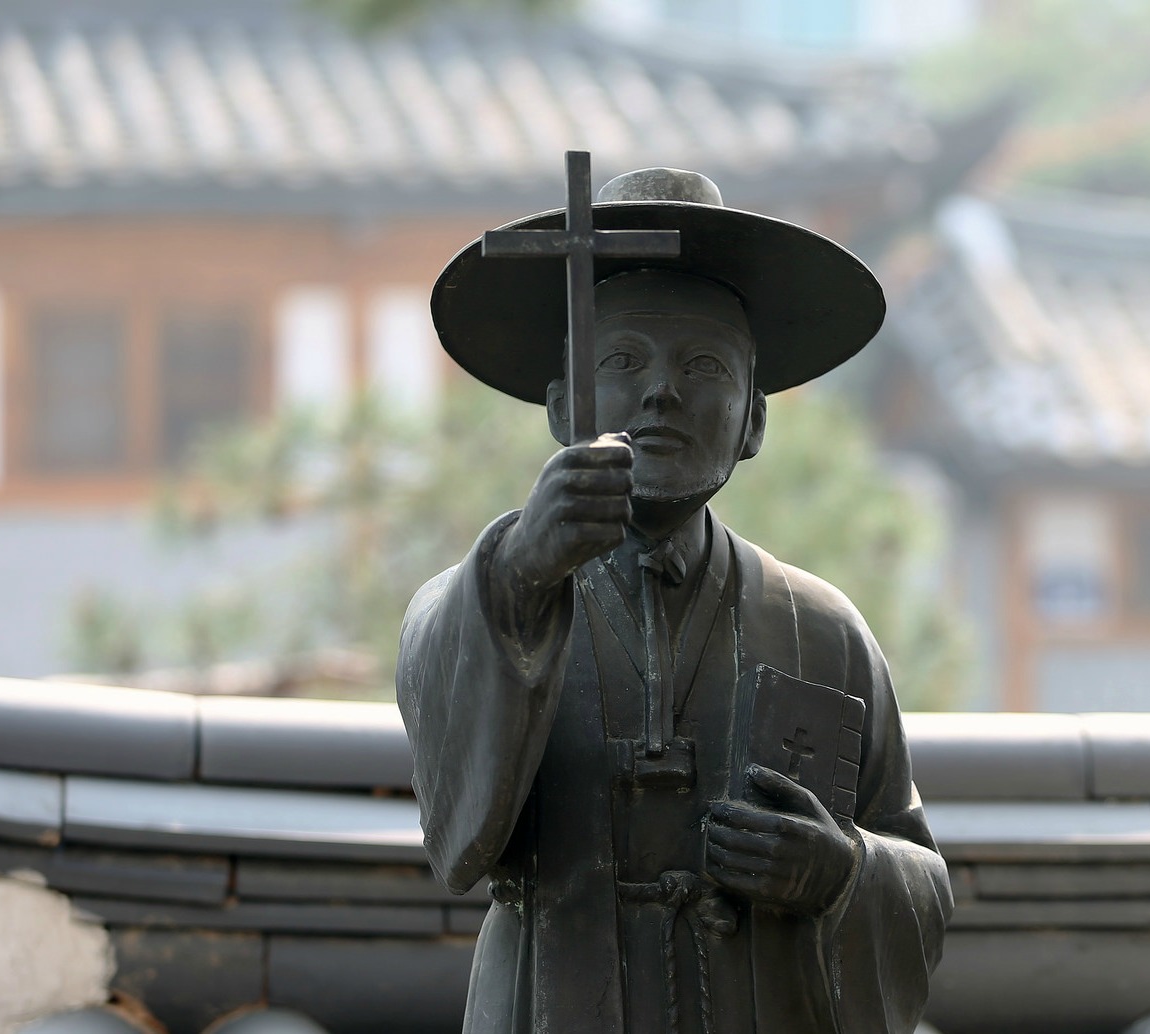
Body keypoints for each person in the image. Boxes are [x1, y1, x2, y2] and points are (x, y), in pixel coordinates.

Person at [397, 168, 951, 1034]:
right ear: (560, 409)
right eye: (622, 362)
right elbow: (456, 843)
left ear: (754, 421)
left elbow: (917, 870)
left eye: (704, 366)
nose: (662, 391)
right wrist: (519, 572)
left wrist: (839, 871)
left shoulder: (822, 629)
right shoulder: (495, 598)